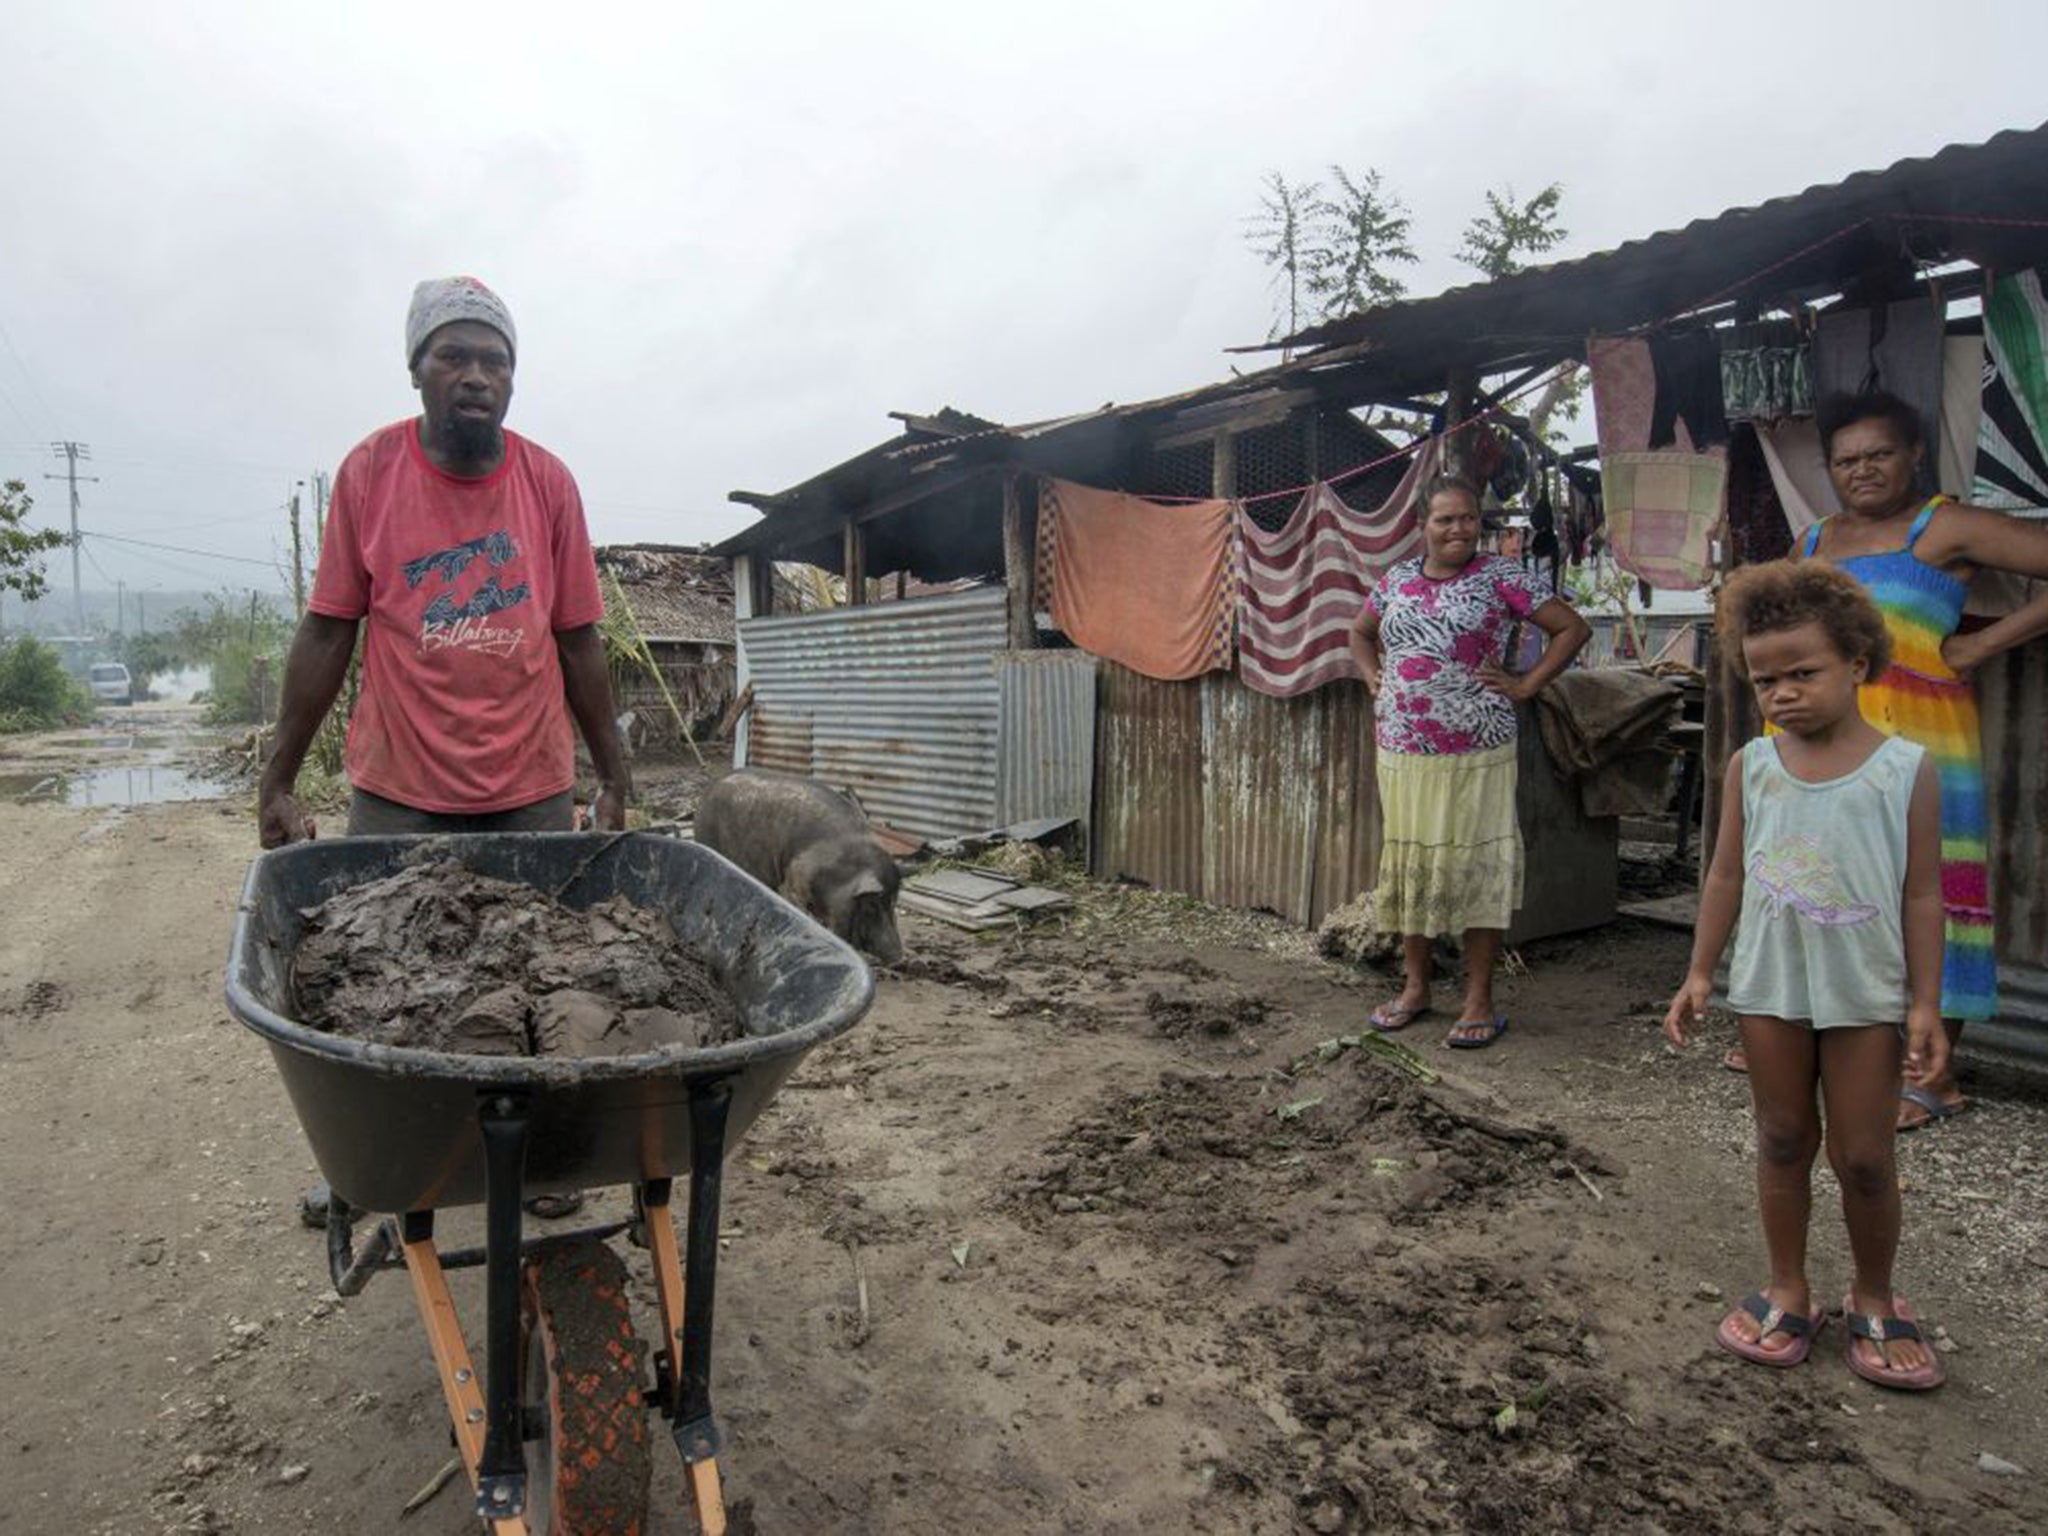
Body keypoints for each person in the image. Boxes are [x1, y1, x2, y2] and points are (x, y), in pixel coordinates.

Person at [262, 276, 631, 1224]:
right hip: (399, 787)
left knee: (544, 975)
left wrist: (615, 775)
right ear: (418, 368)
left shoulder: (548, 482)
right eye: (454, 355)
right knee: (375, 982)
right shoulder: (372, 472)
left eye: (495, 360)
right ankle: (378, 1166)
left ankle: (545, 1164)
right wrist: (277, 777)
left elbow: (580, 639)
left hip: (531, 787)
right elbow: (328, 630)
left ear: (514, 378)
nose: (476, 375)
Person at [1725, 391, 2048, 1130]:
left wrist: (1979, 644)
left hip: (1925, 742)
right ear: (1829, 470)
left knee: (1935, 887)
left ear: (1912, 458)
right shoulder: (1812, 545)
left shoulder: (1947, 527)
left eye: (1878, 455)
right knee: (1825, 880)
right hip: (1823, 750)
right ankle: (1815, 1036)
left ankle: (1936, 1071)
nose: (1862, 470)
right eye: (1846, 460)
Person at [1667, 560, 1947, 1390]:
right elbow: (1724, 876)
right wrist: (1699, 972)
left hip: (1865, 994)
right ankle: (1790, 1286)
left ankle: (1873, 1293)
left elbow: (1926, 895)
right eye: (1765, 679)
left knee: (1864, 1155)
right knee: (1784, 1138)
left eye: (1803, 672)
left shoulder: (1905, 770)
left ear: (1858, 662)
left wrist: (1926, 1004)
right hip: (1772, 988)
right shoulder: (1752, 768)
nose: (1782, 692)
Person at [1347, 474, 1591, 1048]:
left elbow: (1571, 629)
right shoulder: (1397, 580)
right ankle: (1416, 987)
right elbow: (1361, 634)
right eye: (1445, 519)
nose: (1458, 529)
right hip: (1403, 748)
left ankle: (1478, 997)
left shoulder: (1503, 576)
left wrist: (1528, 682)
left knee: (1477, 864)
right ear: (1421, 526)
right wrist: (1371, 674)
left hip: (1477, 746)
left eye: (1467, 518)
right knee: (1412, 862)